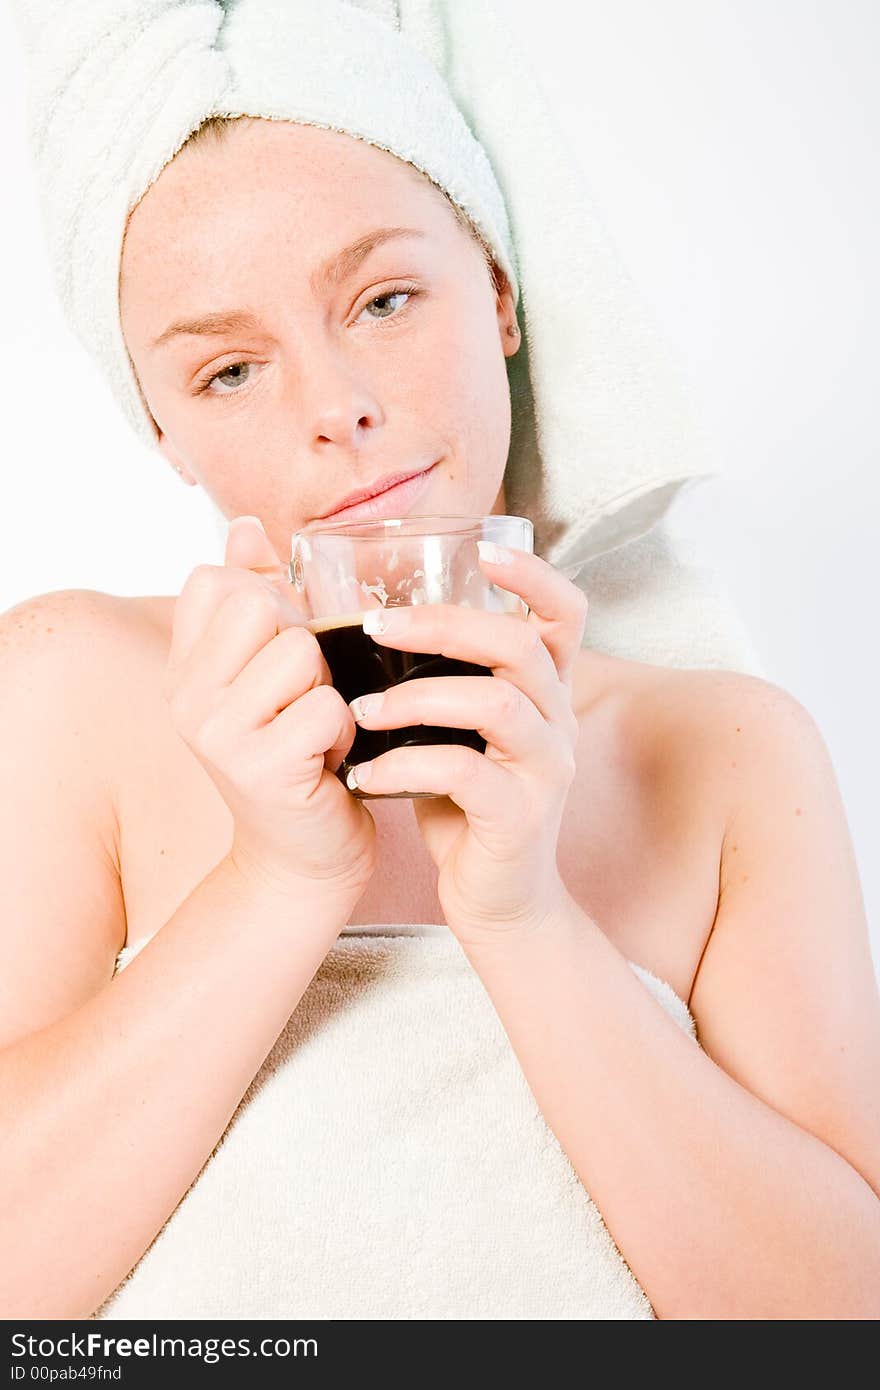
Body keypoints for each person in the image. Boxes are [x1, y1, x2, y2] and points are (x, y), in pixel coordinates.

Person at [3, 17, 880, 1323]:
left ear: (502, 295)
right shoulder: (67, 687)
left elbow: (838, 1320)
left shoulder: (727, 751)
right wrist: (279, 878)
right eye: (231, 368)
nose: (336, 403)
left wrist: (523, 915)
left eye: (385, 298)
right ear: (164, 432)